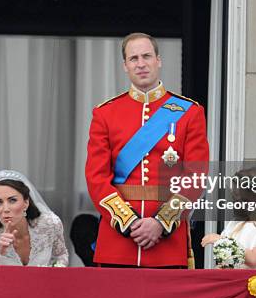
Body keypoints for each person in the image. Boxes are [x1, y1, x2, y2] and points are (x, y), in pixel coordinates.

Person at [85, 32, 209, 267]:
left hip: (167, 243)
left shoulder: (190, 113)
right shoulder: (105, 113)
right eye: (133, 59)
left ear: (158, 60)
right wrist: (129, 222)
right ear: (125, 66)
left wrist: (161, 223)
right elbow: (96, 177)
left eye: (146, 56)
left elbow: (195, 176)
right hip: (118, 242)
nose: (140, 64)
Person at [0, 170, 69, 267]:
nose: (5, 209)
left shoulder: (50, 223)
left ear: (26, 202)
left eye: (12, 200)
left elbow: (61, 255)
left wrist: (54, 271)